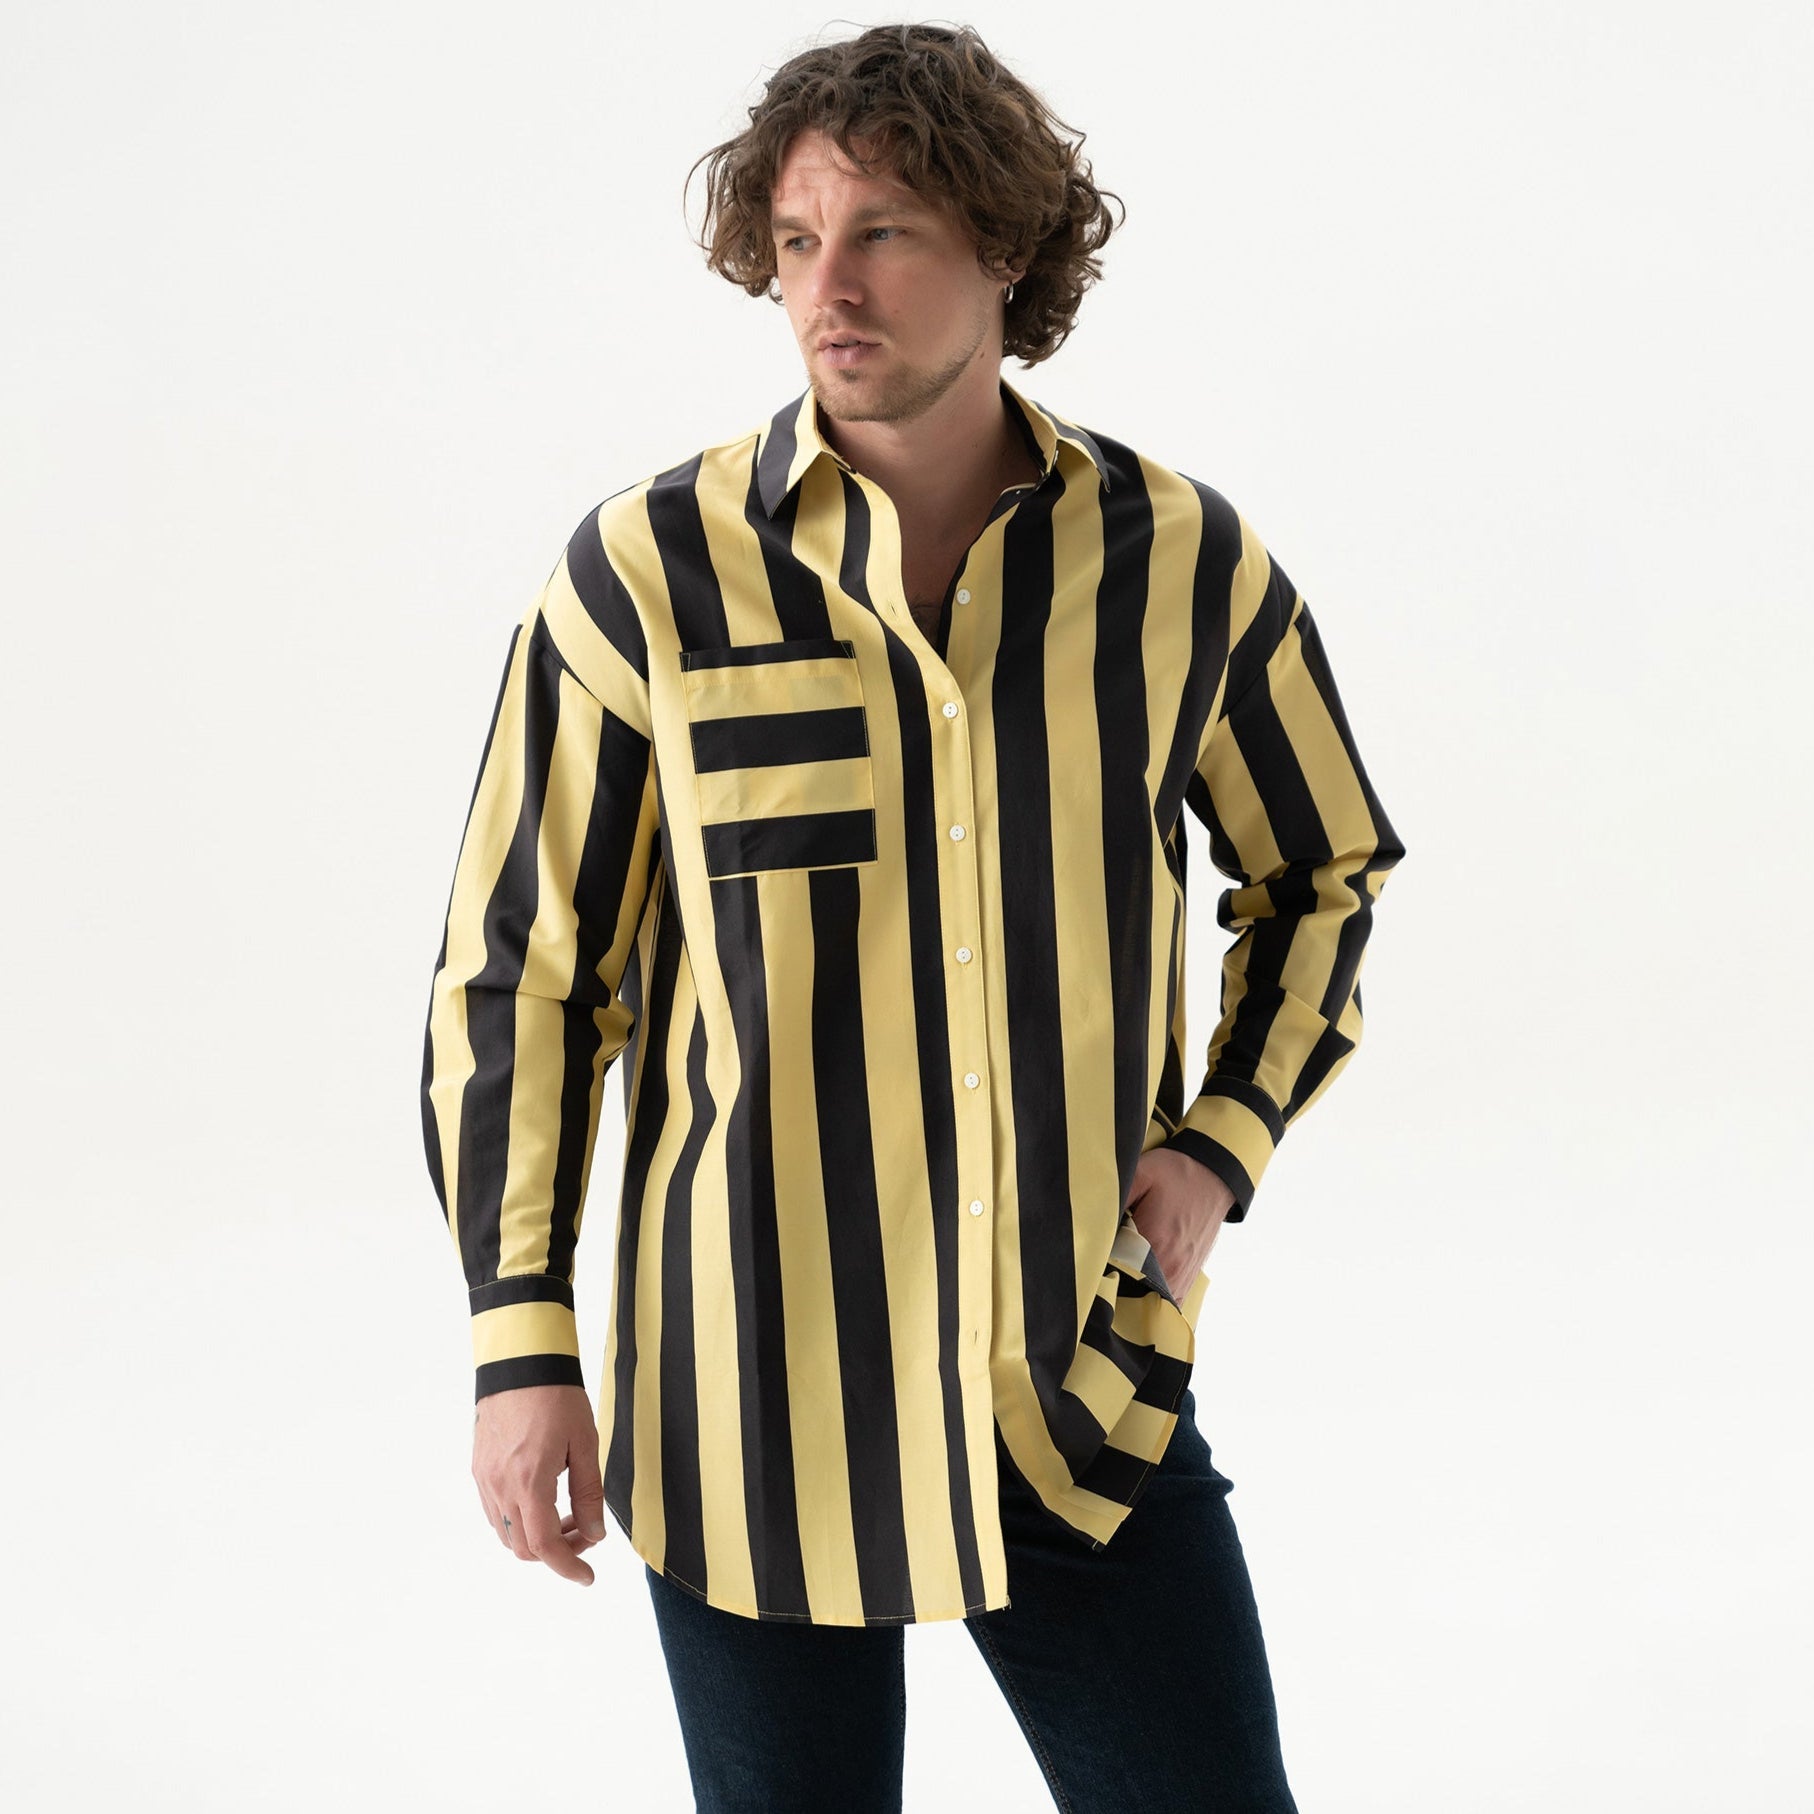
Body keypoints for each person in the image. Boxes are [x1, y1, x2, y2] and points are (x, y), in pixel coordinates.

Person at [419, 21, 1406, 1810]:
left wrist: (1220, 1142)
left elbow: (1321, 872)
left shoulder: (1183, 564)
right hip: (747, 1409)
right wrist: (520, 1339)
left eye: (880, 232)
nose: (827, 288)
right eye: (797, 241)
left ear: (1005, 250)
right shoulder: (645, 577)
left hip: (1077, 1389)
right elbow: (524, 979)